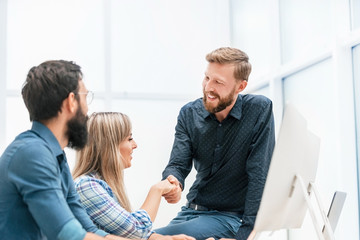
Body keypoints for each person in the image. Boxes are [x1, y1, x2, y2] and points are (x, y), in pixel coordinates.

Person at [154, 47, 276, 240]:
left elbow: (259, 174)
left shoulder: (258, 110)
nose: (208, 87)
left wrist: (244, 236)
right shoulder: (189, 113)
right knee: (147, 236)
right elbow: (178, 164)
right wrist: (173, 182)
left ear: (240, 87)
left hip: (231, 217)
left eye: (218, 82)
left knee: (146, 238)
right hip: (191, 212)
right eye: (207, 78)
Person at [0, 60, 128, 239]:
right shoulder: (31, 153)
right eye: (85, 97)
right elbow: (68, 234)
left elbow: (88, 229)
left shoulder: (56, 157)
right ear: (71, 102)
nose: (88, 109)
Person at [73, 112, 195, 240]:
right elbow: (137, 231)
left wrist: (167, 238)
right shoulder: (86, 186)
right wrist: (157, 190)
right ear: (109, 145)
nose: (135, 145)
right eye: (129, 139)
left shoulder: (100, 186)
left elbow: (124, 233)